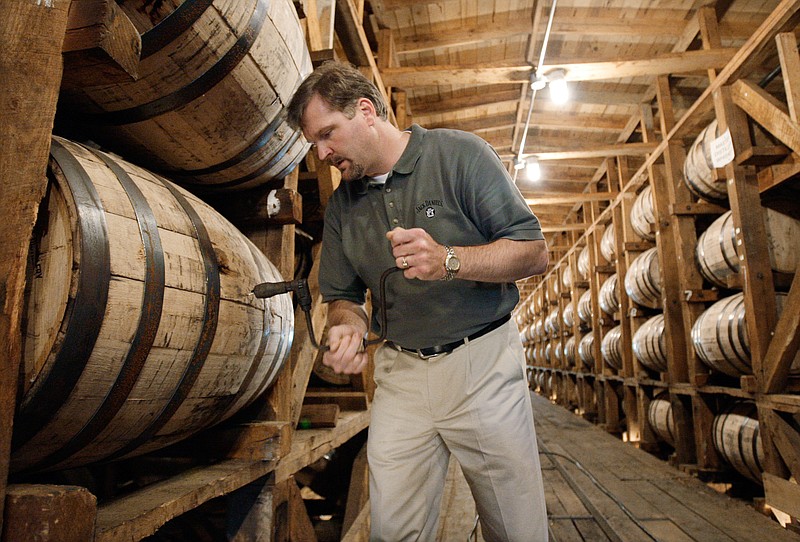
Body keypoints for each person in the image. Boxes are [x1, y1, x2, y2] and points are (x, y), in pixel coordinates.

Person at [287, 61, 549, 542]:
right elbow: (344, 296)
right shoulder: (345, 204)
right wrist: (346, 325)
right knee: (395, 530)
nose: (321, 153)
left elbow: (534, 252)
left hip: (481, 366)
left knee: (515, 527)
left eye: (328, 134)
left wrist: (449, 259)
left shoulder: (460, 155)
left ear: (366, 111)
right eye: (314, 143)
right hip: (401, 375)